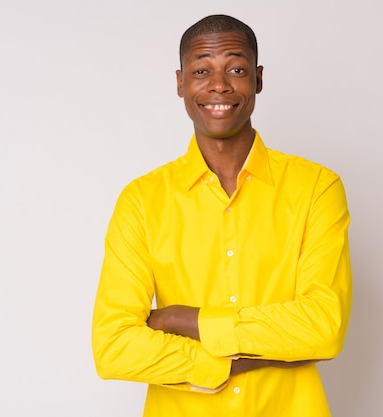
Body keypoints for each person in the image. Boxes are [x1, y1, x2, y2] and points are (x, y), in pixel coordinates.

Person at [91, 14, 352, 417]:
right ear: (180, 83)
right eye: (201, 70)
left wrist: (185, 318)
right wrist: (247, 359)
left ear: (258, 79)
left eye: (236, 68)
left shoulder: (317, 188)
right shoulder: (141, 200)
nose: (219, 84)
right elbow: (114, 348)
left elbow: (323, 326)